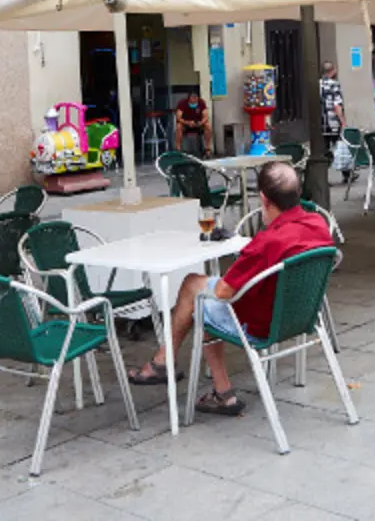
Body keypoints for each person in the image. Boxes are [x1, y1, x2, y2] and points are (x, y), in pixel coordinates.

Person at [126, 162, 331, 415]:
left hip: (260, 325)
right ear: (297, 193)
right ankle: (169, 364)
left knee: (197, 294)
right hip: (300, 317)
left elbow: (224, 291)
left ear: (264, 199)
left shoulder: (269, 241)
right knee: (197, 287)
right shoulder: (317, 224)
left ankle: (182, 371)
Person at [319, 61, 346, 174]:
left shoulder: (318, 84)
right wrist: (343, 121)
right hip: (333, 123)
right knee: (341, 146)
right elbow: (337, 105)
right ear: (332, 71)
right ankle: (346, 172)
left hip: (321, 122)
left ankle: (323, 173)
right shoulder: (334, 84)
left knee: (324, 148)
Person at [174, 91, 212, 156]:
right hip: (186, 124)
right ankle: (178, 149)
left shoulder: (201, 102)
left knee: (208, 126)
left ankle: (207, 149)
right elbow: (178, 117)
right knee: (178, 126)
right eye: (193, 98)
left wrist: (201, 123)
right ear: (189, 98)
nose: (194, 100)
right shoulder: (182, 103)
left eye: (196, 98)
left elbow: (206, 116)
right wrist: (187, 122)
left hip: (198, 124)